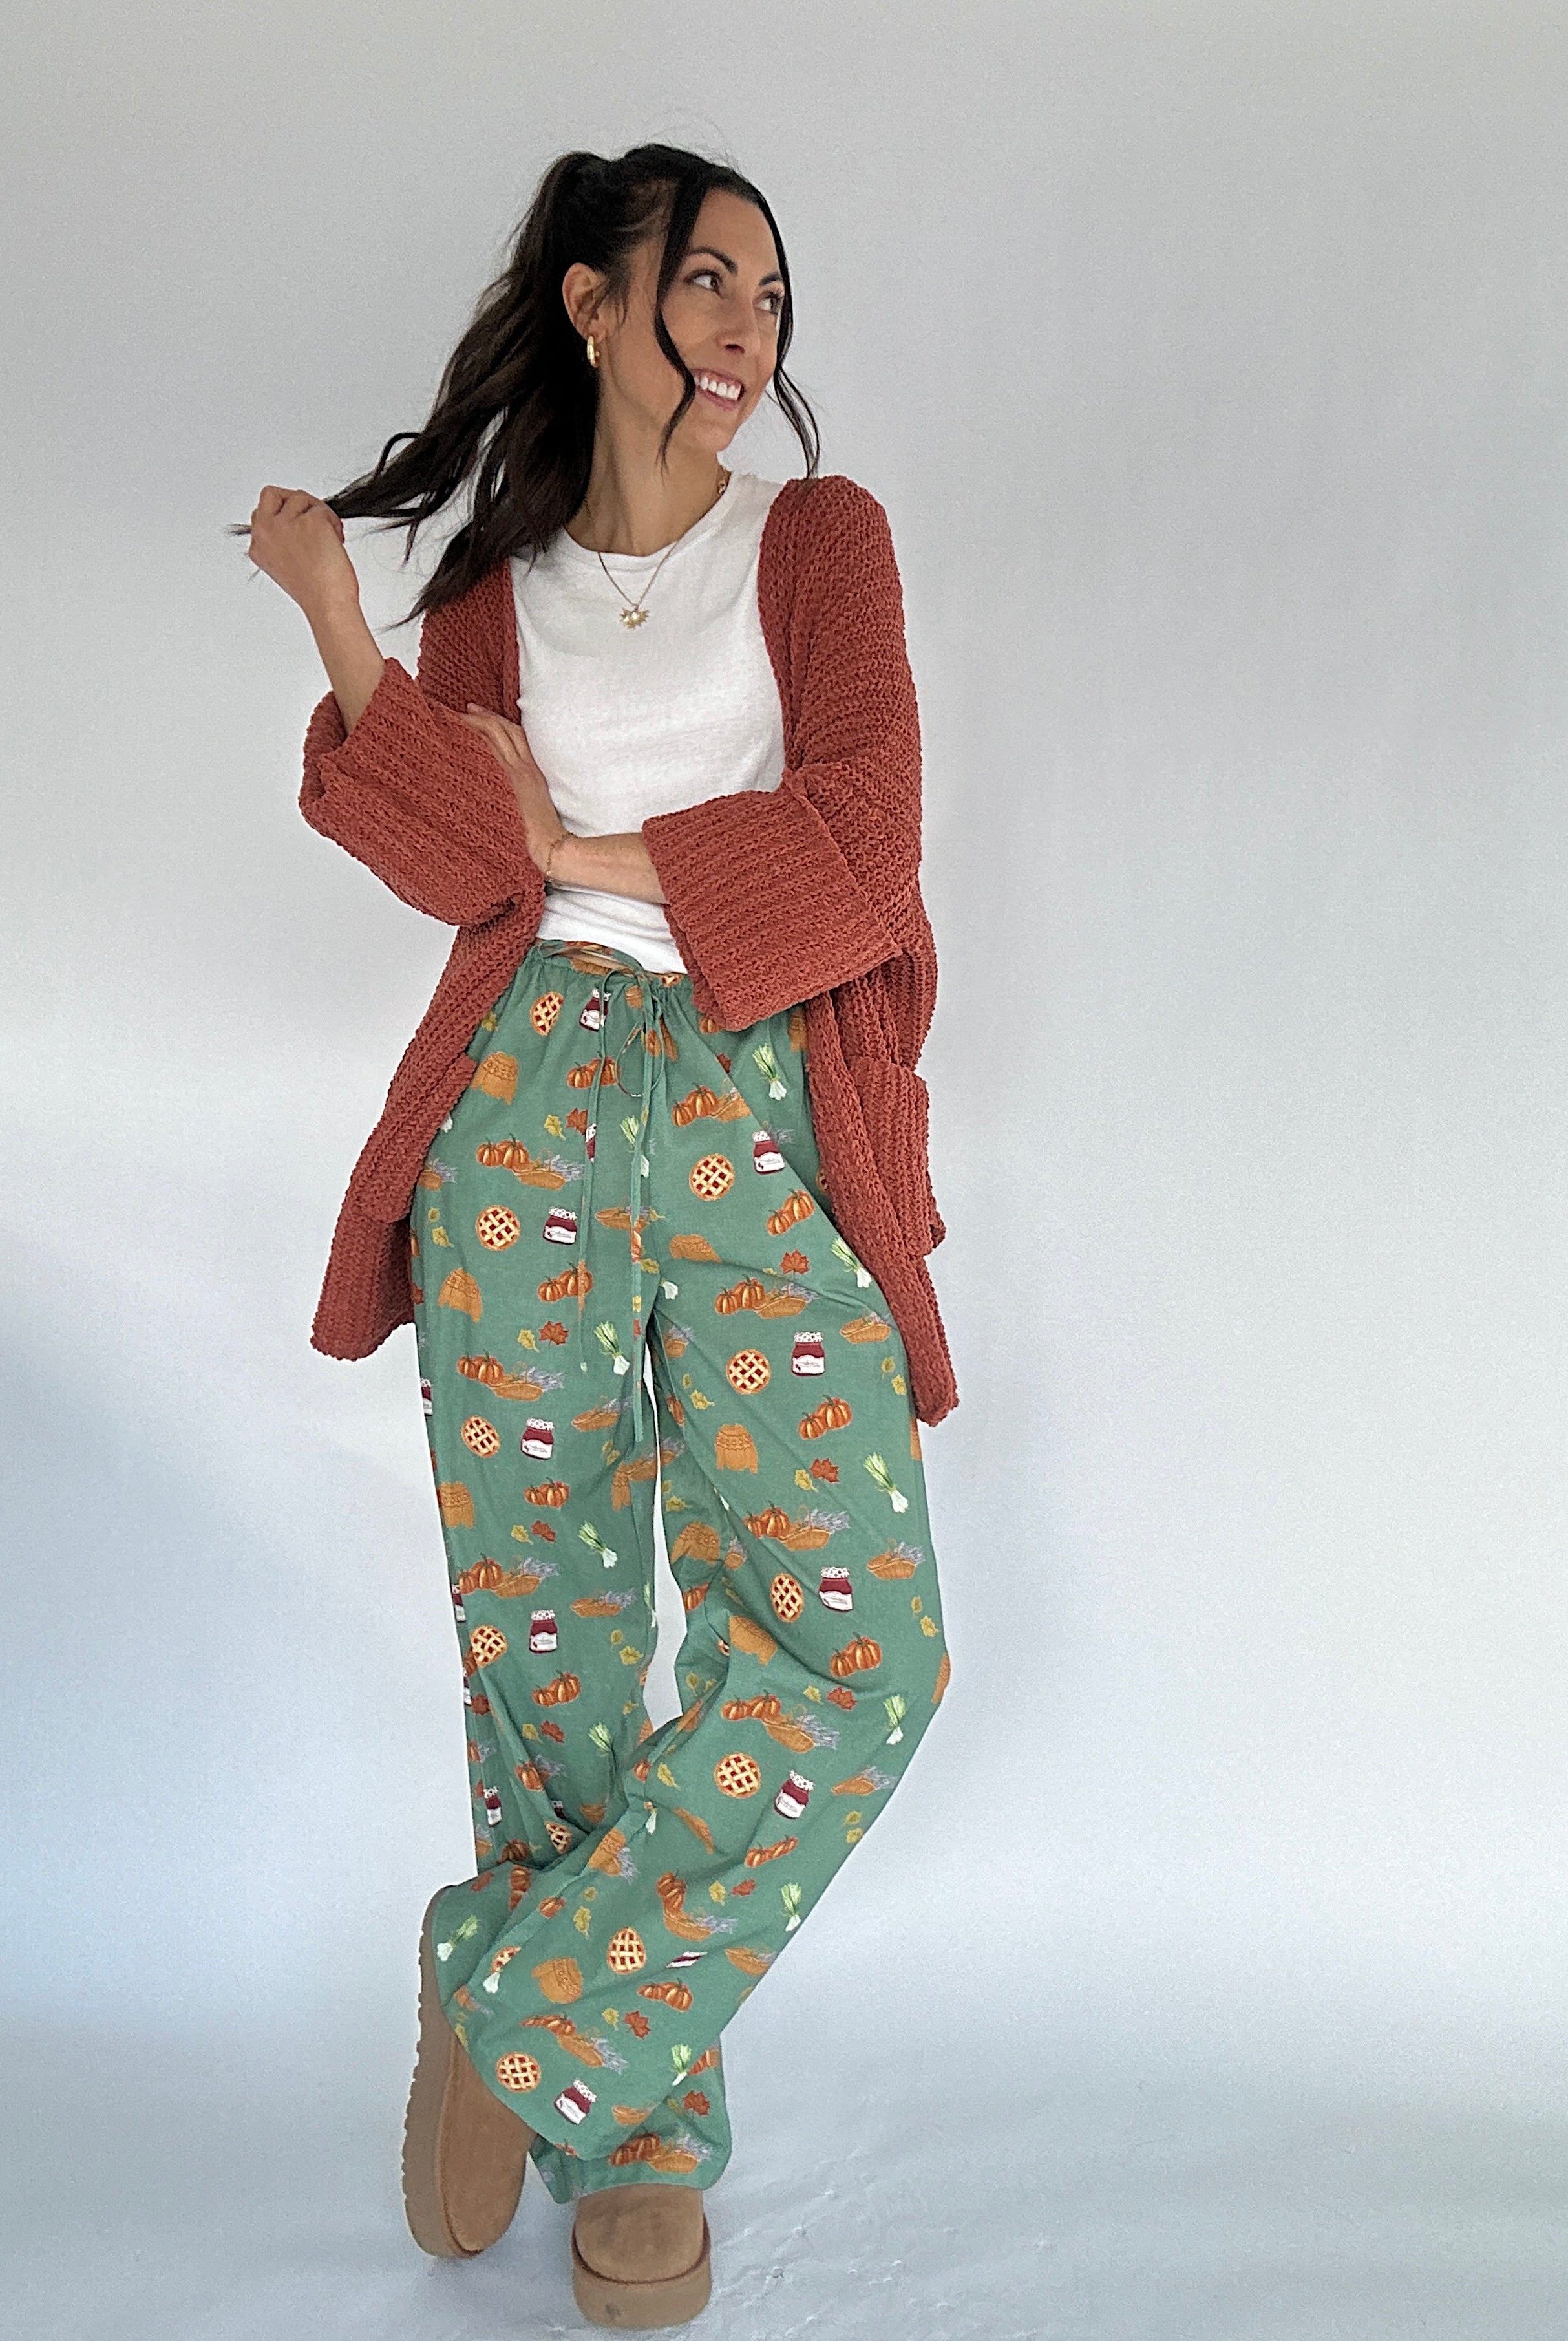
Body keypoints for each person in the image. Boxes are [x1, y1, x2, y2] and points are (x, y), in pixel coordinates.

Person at [240, 142, 958, 2330]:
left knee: (856, 1653)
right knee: (546, 1641)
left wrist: (591, 847)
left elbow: (862, 850)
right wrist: (342, 626)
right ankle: (634, 2137)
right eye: (707, 282)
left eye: (770, 297)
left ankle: (520, 2006)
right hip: (523, 1104)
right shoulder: (499, 587)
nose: (746, 330)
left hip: (753, 1103)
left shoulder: (816, 546)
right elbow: (462, 861)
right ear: (591, 300)